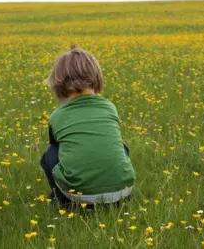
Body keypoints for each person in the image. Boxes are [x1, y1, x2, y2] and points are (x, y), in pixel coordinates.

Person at [40, 46, 135, 208]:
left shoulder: (57, 115)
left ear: (58, 83)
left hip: (78, 196)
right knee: (122, 148)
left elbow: (56, 146)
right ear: (97, 78)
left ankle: (61, 198)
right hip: (123, 190)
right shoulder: (109, 107)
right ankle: (119, 197)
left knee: (51, 154)